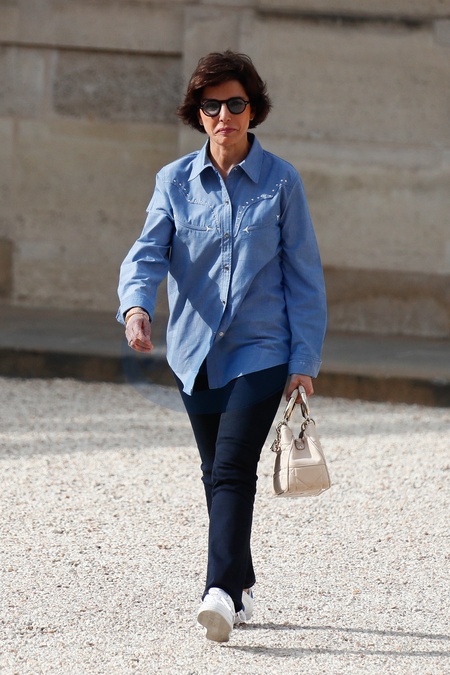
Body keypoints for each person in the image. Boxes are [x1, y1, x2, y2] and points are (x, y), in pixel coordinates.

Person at [117, 50, 327, 642]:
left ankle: (219, 591)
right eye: (212, 106)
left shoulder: (282, 182)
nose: (224, 116)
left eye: (236, 104)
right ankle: (242, 579)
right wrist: (136, 306)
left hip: (263, 348)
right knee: (216, 471)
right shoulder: (174, 181)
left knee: (233, 466)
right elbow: (147, 253)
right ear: (199, 113)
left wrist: (304, 361)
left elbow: (304, 276)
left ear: (253, 109)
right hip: (195, 351)